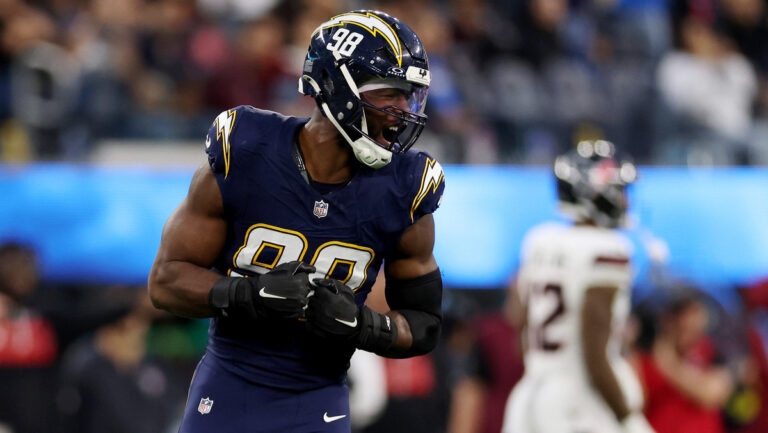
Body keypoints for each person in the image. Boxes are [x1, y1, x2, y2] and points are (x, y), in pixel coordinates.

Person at [148, 9, 445, 433]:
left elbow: (424, 324)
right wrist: (248, 294)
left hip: (318, 398)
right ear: (338, 88)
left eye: (410, 96)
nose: (403, 112)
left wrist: (364, 326)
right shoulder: (246, 152)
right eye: (389, 95)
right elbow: (166, 282)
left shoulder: (406, 186)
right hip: (230, 386)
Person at [501, 140, 654, 433]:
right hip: (579, 405)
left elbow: (519, 324)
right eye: (620, 190)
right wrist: (627, 417)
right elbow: (593, 353)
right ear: (597, 191)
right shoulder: (607, 249)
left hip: (530, 396)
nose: (626, 200)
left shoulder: (539, 241)